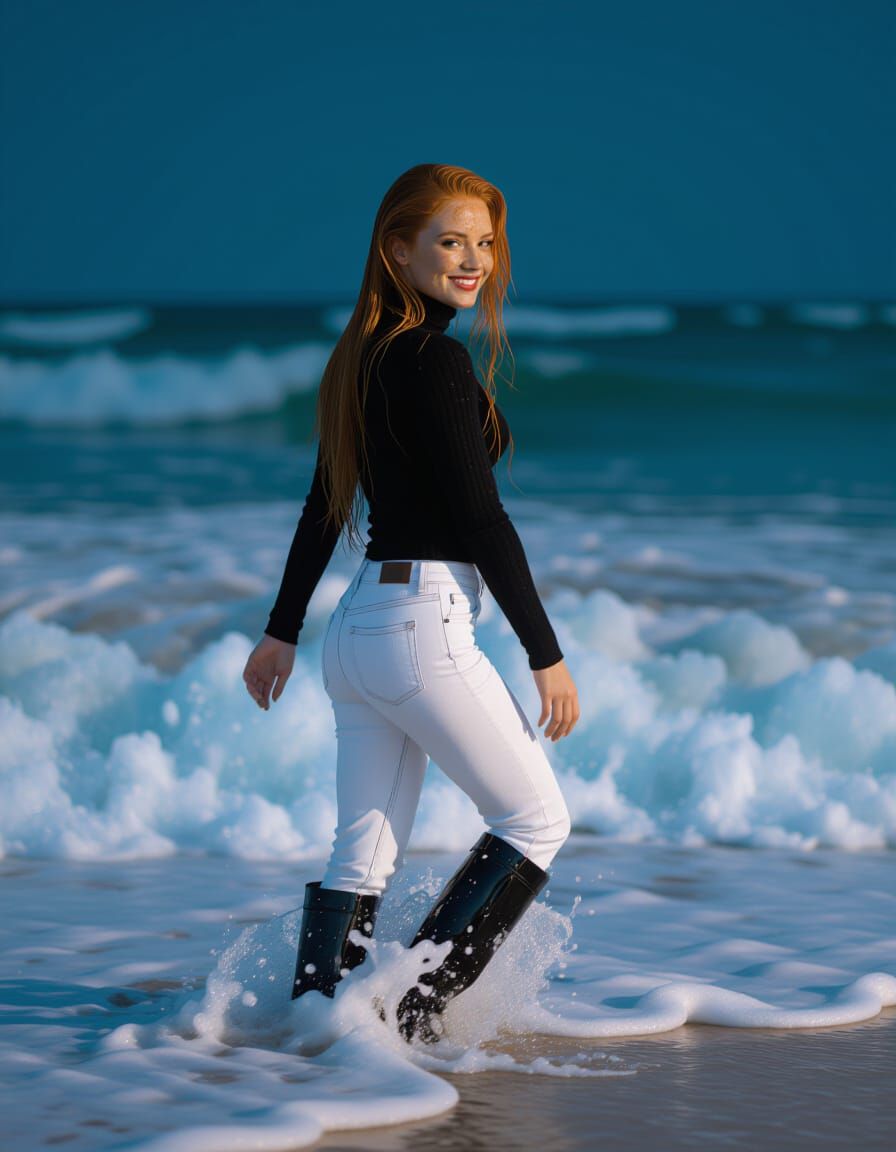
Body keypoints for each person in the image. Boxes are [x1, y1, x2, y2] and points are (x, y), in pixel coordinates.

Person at [242, 163, 580, 1044]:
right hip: (419, 627)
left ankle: (320, 1034)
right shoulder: (433, 359)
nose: (473, 260)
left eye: (484, 243)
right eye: (450, 242)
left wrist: (281, 632)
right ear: (398, 251)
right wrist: (545, 652)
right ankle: (405, 1023)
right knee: (536, 820)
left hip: (358, 631)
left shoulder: (363, 356)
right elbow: (480, 517)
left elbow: (324, 506)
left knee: (360, 859)